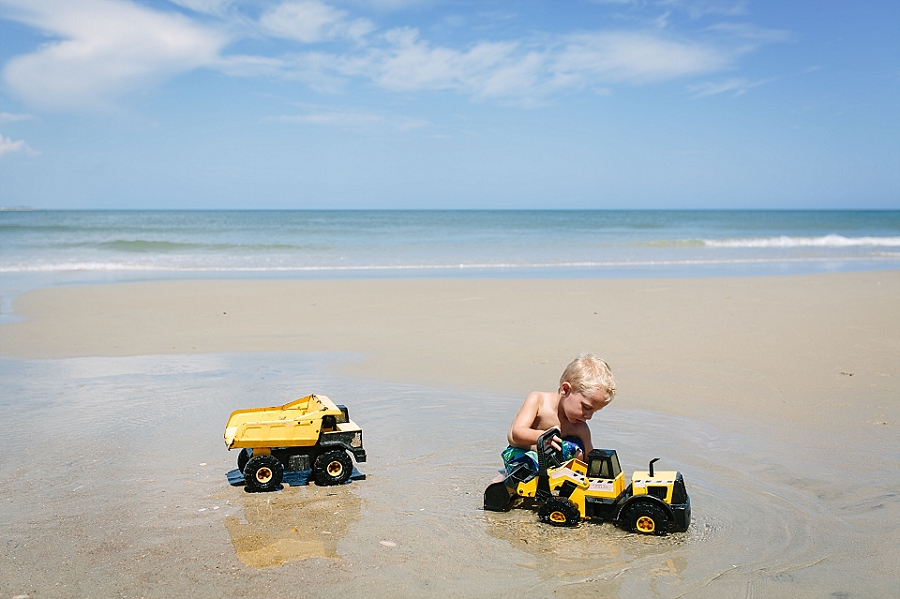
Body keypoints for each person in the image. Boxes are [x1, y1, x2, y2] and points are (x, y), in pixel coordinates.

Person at [502, 353, 616, 475]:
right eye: (586, 407)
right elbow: (517, 433)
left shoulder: (580, 428)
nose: (589, 416)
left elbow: (590, 458)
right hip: (523, 452)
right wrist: (543, 437)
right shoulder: (538, 401)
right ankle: (506, 480)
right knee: (524, 469)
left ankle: (564, 484)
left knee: (577, 451)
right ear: (565, 390)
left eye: (594, 411)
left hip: (551, 462)